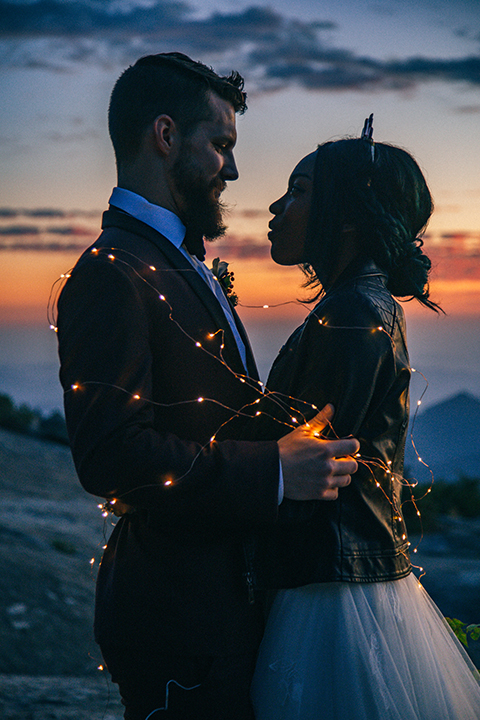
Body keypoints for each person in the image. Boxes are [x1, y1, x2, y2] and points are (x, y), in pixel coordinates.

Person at [55, 53, 359, 720]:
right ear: (165, 136)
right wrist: (273, 473)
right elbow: (110, 455)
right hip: (177, 622)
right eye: (221, 144)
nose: (234, 167)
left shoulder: (172, 260)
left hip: (217, 609)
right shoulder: (114, 272)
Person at [250, 122, 480, 719]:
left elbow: (308, 466)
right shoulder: (360, 304)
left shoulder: (352, 312)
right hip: (350, 570)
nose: (277, 206)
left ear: (347, 218)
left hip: (330, 589)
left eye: (299, 190)